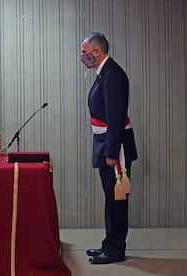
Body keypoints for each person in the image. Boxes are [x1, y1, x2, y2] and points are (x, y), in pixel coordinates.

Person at [80, 32, 138, 264]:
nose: (82, 56)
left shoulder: (111, 74)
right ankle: (109, 244)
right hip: (106, 143)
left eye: (84, 52)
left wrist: (112, 153)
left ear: (96, 52)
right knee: (111, 198)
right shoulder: (105, 72)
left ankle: (115, 249)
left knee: (117, 199)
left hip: (114, 148)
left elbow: (115, 117)